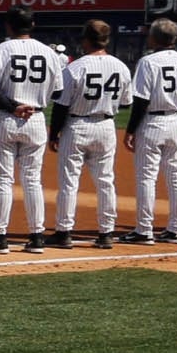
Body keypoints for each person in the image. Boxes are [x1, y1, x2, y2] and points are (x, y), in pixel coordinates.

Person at [0, 6, 65, 253]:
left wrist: (13, 106)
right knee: (32, 179)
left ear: (8, 25)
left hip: (5, 118)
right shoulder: (49, 53)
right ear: (32, 25)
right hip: (35, 118)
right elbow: (58, 92)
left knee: (3, 180)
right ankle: (37, 236)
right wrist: (33, 100)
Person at [50, 19, 132, 249]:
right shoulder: (121, 66)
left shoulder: (75, 67)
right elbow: (126, 103)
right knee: (105, 181)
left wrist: (54, 134)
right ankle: (106, 233)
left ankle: (64, 231)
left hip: (77, 125)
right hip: (106, 126)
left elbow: (61, 106)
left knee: (69, 182)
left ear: (85, 40)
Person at [126, 17, 177, 244]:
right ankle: (176, 229)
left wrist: (130, 130)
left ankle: (144, 230)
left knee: (146, 177)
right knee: (176, 176)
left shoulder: (148, 62)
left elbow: (141, 100)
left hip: (153, 122)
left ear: (154, 38)